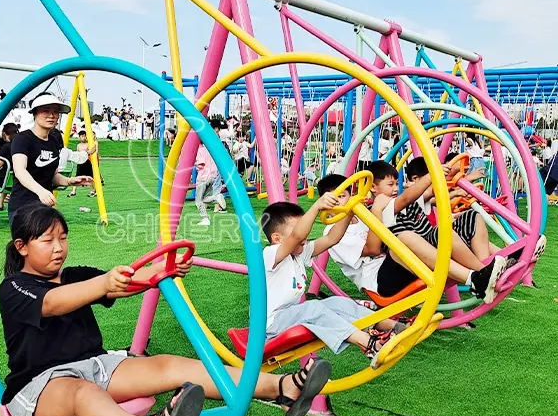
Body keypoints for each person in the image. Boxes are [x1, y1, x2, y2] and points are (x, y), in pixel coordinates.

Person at [0, 206, 331, 416]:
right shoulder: (14, 287)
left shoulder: (75, 275)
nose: (58, 247)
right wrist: (102, 283)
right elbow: (53, 303)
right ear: (22, 246)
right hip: (42, 385)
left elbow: (125, 285)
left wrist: (162, 270)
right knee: (83, 394)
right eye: (47, 240)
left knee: (172, 365)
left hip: (96, 366)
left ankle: (283, 388)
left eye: (63, 238)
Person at [260, 199, 407, 367]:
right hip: (270, 325)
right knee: (312, 307)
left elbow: (331, 238)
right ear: (277, 238)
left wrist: (349, 211)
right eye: (299, 228)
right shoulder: (270, 254)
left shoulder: (299, 253)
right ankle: (370, 345)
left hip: (291, 314)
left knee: (337, 302)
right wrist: (316, 206)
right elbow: (297, 236)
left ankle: (393, 326)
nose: (305, 235)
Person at [368, 160, 508, 304]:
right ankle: (483, 274)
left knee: (472, 217)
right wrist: (434, 173)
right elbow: (406, 198)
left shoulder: (406, 202)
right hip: (415, 256)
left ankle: (486, 269)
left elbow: (430, 190)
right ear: (373, 187)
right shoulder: (378, 208)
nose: (396, 189)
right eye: (390, 185)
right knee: (443, 232)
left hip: (431, 244)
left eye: (397, 184)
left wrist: (454, 173)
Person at [8, 93, 94, 225]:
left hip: (44, 206)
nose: (51, 115)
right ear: (35, 113)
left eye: (55, 111)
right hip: (22, 206)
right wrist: (41, 191)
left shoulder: (54, 141)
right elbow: (20, 171)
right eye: (46, 111)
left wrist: (70, 181)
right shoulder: (23, 139)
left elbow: (52, 175)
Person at [193, 120, 227, 226]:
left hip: (203, 177)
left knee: (198, 201)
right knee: (205, 198)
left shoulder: (199, 150)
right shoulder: (210, 149)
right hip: (212, 176)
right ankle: (216, 197)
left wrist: (194, 163)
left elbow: (200, 164)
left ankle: (205, 219)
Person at [67, 130, 100, 198]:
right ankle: (73, 192)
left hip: (87, 163)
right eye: (82, 136)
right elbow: (78, 153)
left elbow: (93, 150)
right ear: (79, 137)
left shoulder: (89, 144)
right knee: (77, 177)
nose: (84, 138)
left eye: (85, 136)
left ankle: (92, 191)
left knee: (90, 178)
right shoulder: (78, 145)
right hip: (80, 163)